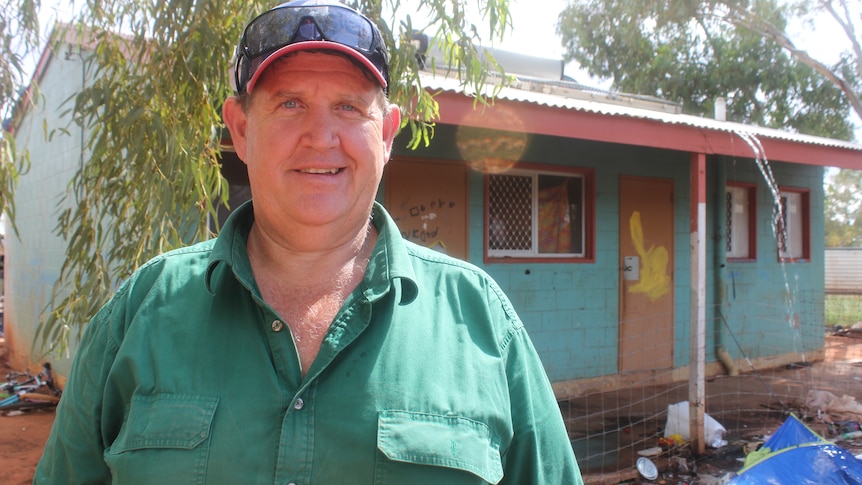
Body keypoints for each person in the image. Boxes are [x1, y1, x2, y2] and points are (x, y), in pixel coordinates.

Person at [35, 1, 583, 483]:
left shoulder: (482, 322)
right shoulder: (140, 313)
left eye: (348, 107)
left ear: (388, 134)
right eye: (290, 103)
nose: (321, 138)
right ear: (241, 130)